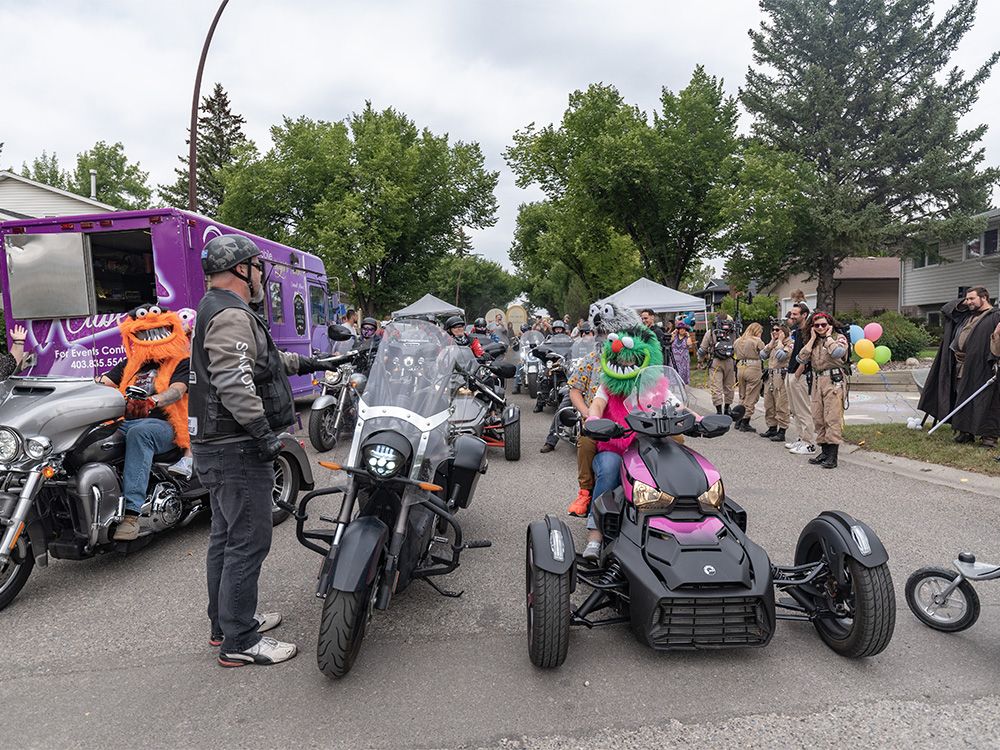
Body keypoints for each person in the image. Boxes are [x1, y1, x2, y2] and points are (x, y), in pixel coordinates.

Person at [189, 234, 336, 668]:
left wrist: (314, 363)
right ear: (242, 270)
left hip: (216, 445)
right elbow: (234, 381)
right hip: (235, 446)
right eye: (256, 268)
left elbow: (261, 361)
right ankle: (240, 640)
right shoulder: (231, 314)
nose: (260, 277)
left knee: (225, 536)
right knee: (248, 542)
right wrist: (263, 436)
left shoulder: (215, 309)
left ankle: (225, 623)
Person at [97, 305, 192, 540]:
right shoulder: (131, 364)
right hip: (126, 422)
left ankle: (131, 515)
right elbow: (103, 383)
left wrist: (153, 401)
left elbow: (177, 391)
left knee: (140, 432)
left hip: (166, 425)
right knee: (94, 437)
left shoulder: (180, 362)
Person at [946, 287, 1000, 447]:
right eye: (966, 299)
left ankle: (989, 438)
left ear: (984, 298)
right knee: (963, 396)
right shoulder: (968, 316)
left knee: (987, 401)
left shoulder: (995, 316)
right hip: (964, 364)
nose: (968, 302)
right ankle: (965, 432)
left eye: (971, 299)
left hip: (986, 365)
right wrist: (964, 301)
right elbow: (947, 309)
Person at [796, 312, 849, 469]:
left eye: (823, 325)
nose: (820, 328)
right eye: (816, 325)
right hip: (817, 381)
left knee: (831, 418)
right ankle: (824, 451)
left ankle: (832, 456)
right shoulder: (814, 342)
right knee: (818, 417)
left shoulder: (838, 338)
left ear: (830, 325)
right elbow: (801, 358)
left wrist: (828, 338)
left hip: (833, 381)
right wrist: (812, 339)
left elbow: (838, 353)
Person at [784, 303, 818, 457]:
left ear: (804, 315)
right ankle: (800, 438)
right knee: (795, 410)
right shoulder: (796, 332)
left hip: (800, 375)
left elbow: (808, 355)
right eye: (791, 314)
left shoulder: (808, 332)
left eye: (795, 314)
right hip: (790, 372)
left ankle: (809, 443)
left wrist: (798, 373)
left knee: (803, 410)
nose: (792, 317)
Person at [758, 323, 792, 442]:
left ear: (784, 332)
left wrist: (780, 342)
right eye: (773, 330)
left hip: (781, 376)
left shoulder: (788, 344)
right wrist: (771, 343)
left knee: (781, 404)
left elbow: (780, 356)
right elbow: (762, 355)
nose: (774, 332)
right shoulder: (774, 343)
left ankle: (782, 430)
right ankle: (772, 427)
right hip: (770, 375)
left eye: (777, 330)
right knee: (769, 403)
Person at [698, 317, 737, 414]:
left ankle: (719, 411)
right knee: (729, 386)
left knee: (716, 387)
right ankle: (727, 409)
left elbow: (702, 349)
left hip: (715, 362)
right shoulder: (733, 332)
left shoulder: (711, 332)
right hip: (730, 362)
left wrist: (700, 361)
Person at [733, 322, 766, 431]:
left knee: (742, 395)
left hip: (740, 367)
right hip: (753, 367)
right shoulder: (756, 341)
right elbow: (764, 353)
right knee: (751, 396)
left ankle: (738, 419)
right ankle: (745, 421)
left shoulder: (738, 341)